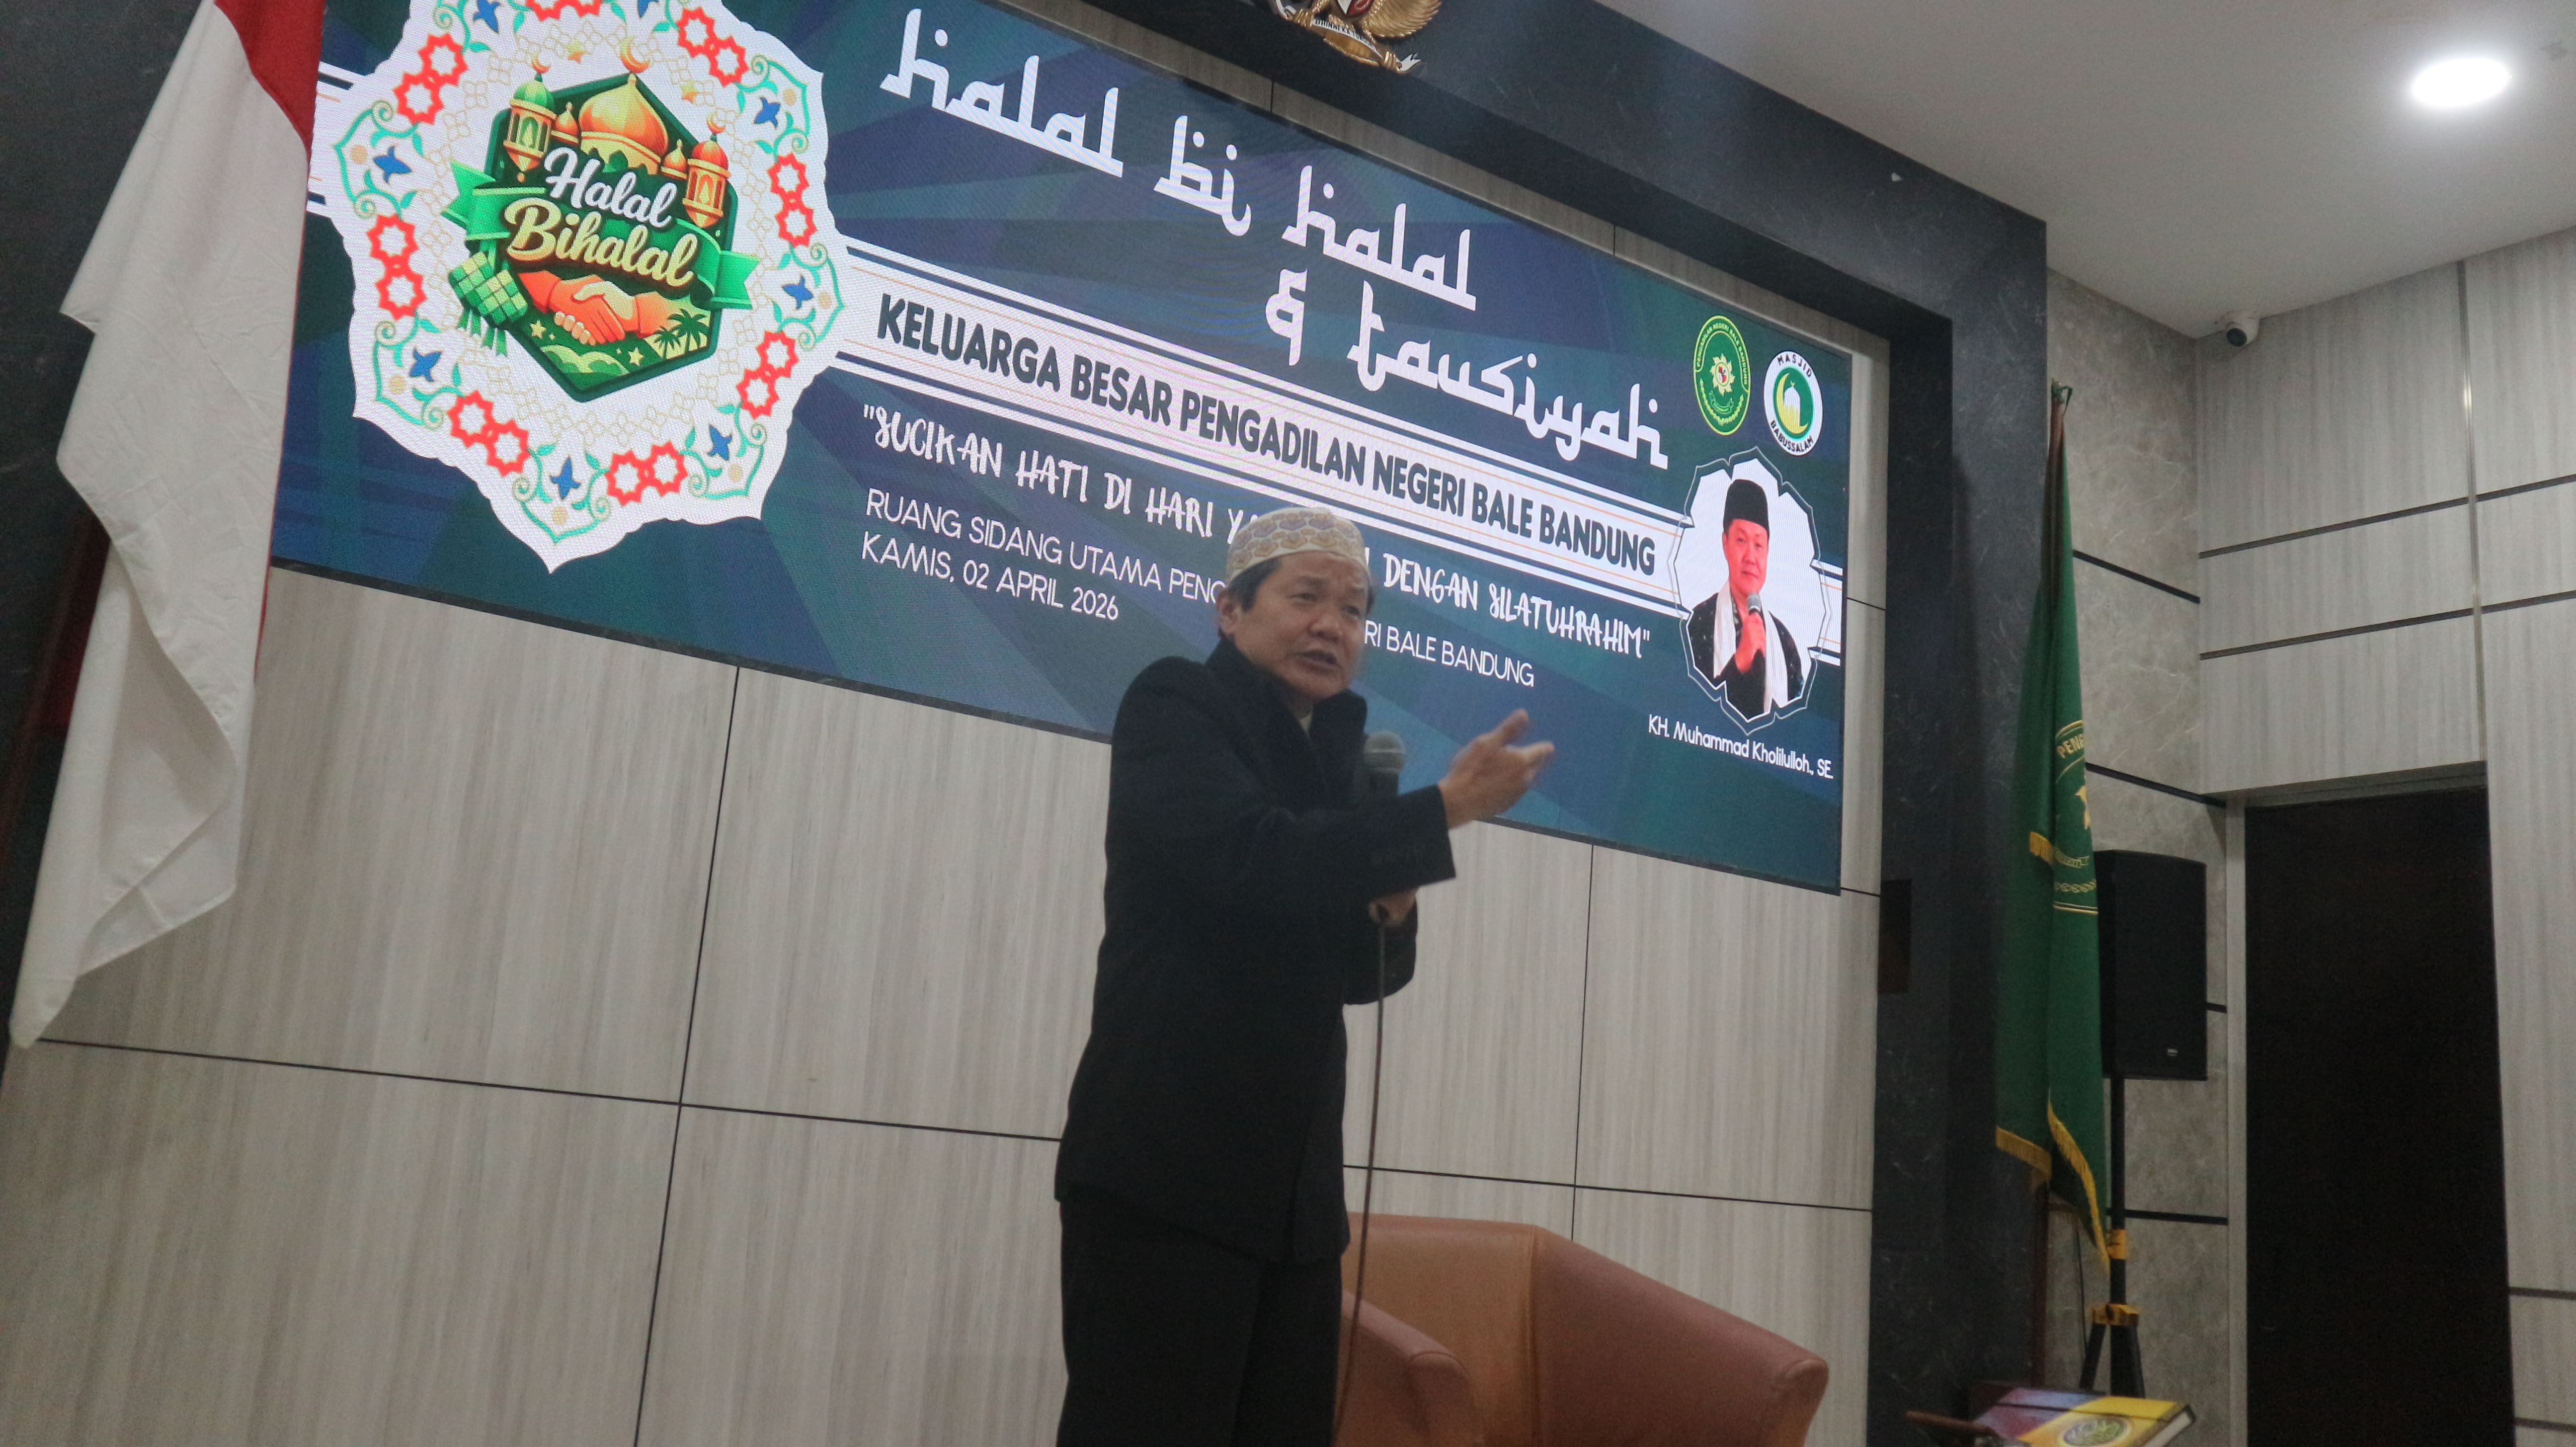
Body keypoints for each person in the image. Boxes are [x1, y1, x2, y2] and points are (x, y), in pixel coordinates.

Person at [1053, 505, 1554, 1447]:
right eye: (1307, 598)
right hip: (1165, 1173)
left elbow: (1359, 975)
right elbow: (1249, 854)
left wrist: (1394, 899)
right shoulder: (1173, 704)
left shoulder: (1341, 761)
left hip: (1295, 1200)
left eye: (1354, 611)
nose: (1333, 625)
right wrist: (1437, 814)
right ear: (1230, 610)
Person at [1688, 477, 1804, 718]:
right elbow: (1688, 710)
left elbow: (1797, 725)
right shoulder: (1698, 625)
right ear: (1725, 544)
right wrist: (1739, 661)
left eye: (1759, 545)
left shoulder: (1785, 645)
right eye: (1741, 541)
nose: (1751, 557)